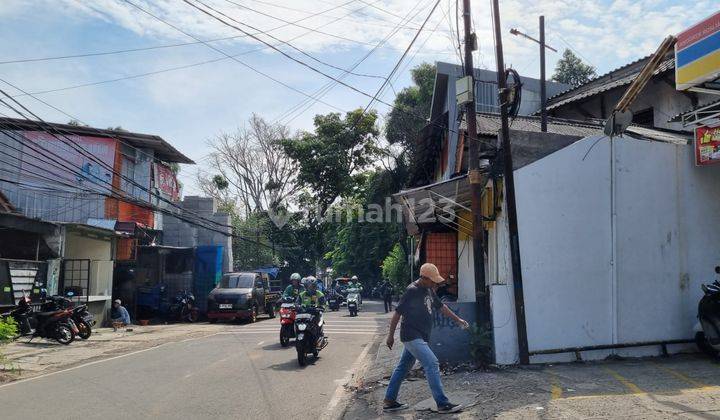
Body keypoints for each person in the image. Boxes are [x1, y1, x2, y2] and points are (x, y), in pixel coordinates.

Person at [383, 263, 469, 413]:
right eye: (432, 280)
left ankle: (389, 401)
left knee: (403, 367)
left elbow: (441, 307)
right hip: (411, 336)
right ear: (423, 278)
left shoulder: (428, 289)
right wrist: (390, 336)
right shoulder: (412, 291)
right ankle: (442, 403)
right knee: (432, 363)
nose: (435, 283)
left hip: (420, 336)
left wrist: (458, 319)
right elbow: (397, 313)